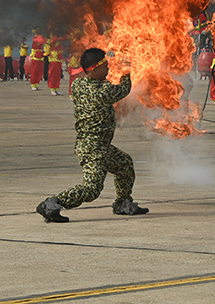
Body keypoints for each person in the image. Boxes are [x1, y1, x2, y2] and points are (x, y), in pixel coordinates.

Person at [36, 48, 148, 223]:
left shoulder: (78, 85)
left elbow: (101, 84)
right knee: (92, 189)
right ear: (94, 69)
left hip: (97, 145)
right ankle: (52, 204)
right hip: (93, 148)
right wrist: (126, 69)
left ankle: (123, 203)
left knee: (124, 164)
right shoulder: (102, 91)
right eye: (105, 67)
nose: (108, 70)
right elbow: (124, 89)